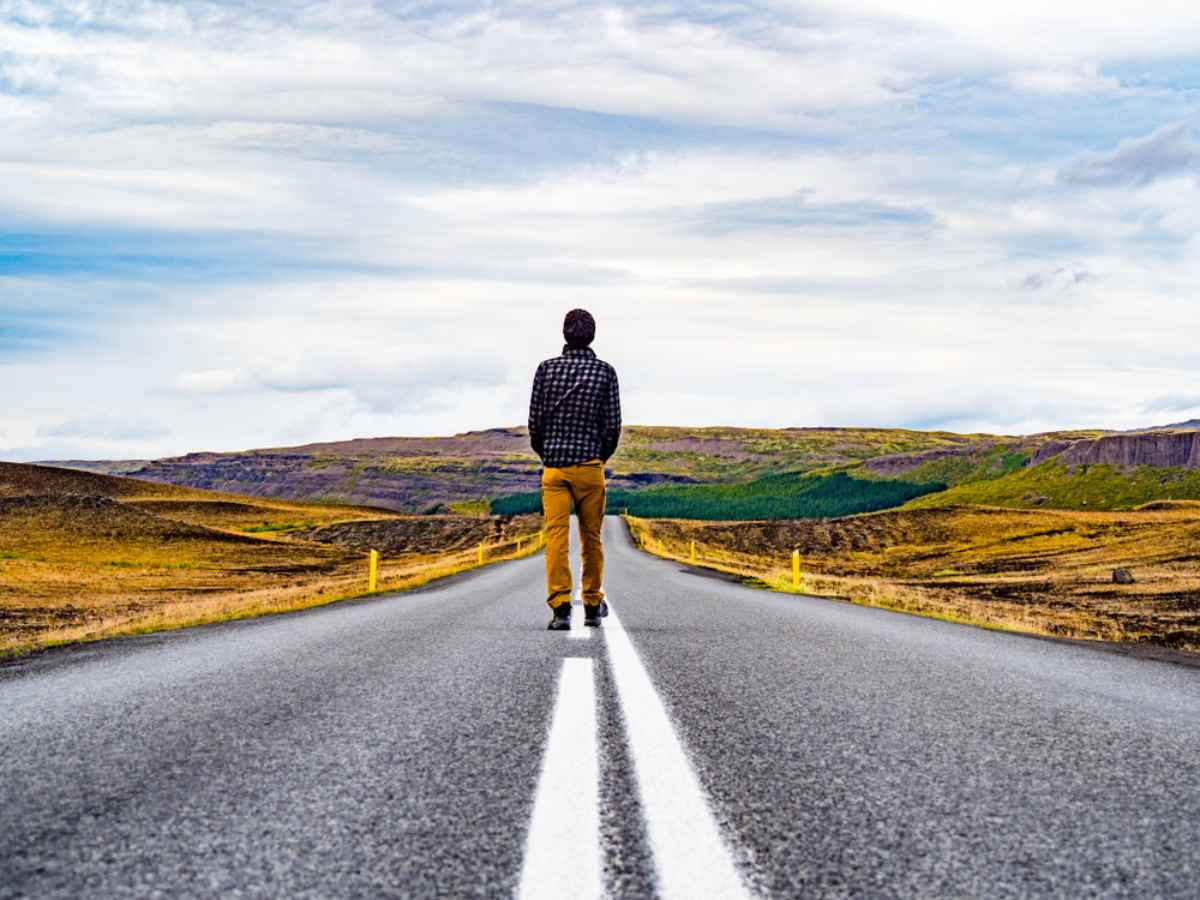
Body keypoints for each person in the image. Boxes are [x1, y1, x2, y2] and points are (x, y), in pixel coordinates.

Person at [528, 309, 622, 630]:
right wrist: (599, 457)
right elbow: (612, 426)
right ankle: (593, 604)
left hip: (554, 468)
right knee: (591, 538)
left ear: (564, 334)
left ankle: (561, 608)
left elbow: (535, 423)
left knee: (556, 537)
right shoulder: (605, 373)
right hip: (590, 466)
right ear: (592, 335)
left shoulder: (546, 370)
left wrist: (547, 453)